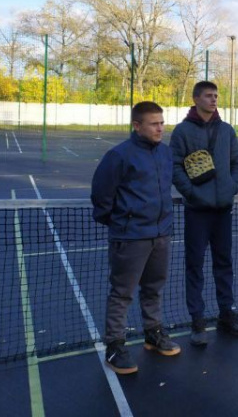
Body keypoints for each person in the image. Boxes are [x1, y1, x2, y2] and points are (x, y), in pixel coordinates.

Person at [91, 101, 180, 375]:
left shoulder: (165, 154)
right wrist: (123, 222)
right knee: (122, 294)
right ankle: (115, 347)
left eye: (162, 123)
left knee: (153, 288)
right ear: (137, 125)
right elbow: (101, 196)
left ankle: (153, 334)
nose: (160, 128)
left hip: (161, 235)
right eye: (154, 124)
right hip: (130, 238)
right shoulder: (118, 156)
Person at [170, 81, 238, 346]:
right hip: (197, 212)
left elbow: (237, 163)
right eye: (208, 95)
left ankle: (227, 314)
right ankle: (198, 320)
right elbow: (175, 166)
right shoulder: (182, 131)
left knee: (224, 264)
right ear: (195, 99)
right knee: (195, 266)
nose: (214, 99)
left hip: (223, 210)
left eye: (216, 95)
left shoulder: (227, 130)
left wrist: (231, 187)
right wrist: (192, 193)